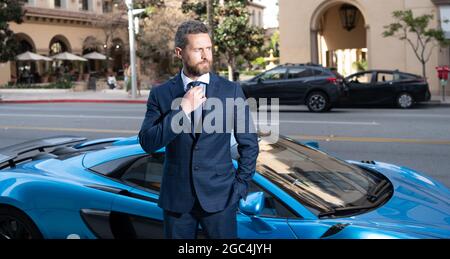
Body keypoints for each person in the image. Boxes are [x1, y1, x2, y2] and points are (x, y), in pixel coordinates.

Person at [138, 20, 258, 239]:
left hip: (221, 198)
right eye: (197, 49)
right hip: (177, 200)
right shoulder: (161, 94)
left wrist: (239, 187)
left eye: (209, 48)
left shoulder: (231, 91)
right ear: (179, 52)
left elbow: (249, 144)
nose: (206, 55)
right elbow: (148, 141)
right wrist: (182, 110)